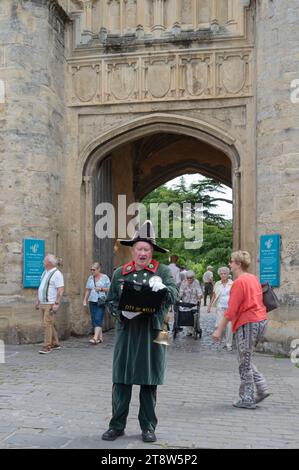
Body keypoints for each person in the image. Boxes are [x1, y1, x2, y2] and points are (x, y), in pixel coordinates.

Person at [102, 220, 178, 443]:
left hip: (155, 332)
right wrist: (121, 314)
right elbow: (111, 301)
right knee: (122, 380)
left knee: (149, 380)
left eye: (146, 249)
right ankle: (116, 425)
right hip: (127, 332)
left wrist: (164, 288)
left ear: (152, 251)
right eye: (139, 249)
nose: (142, 253)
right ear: (132, 250)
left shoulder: (163, 271)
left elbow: (175, 293)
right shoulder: (120, 273)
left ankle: (148, 426)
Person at [212, 251, 269, 409]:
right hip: (260, 320)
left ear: (238, 264)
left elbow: (231, 310)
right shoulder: (253, 278)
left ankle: (247, 398)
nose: (230, 264)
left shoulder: (239, 282)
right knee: (246, 358)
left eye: (231, 262)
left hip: (248, 322)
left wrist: (219, 329)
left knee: (244, 362)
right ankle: (262, 387)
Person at [35, 254, 64, 354]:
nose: (43, 262)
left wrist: (57, 303)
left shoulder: (57, 274)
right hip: (43, 302)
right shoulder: (45, 273)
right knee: (49, 323)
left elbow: (60, 290)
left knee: (47, 324)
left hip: (50, 303)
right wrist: (37, 301)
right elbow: (41, 287)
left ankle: (47, 346)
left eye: (44, 261)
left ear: (49, 263)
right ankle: (55, 343)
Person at [83, 262, 111, 344]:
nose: (92, 271)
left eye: (94, 270)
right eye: (91, 269)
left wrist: (101, 289)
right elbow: (88, 289)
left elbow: (110, 289)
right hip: (92, 300)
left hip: (101, 301)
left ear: (99, 269)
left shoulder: (105, 277)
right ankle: (100, 337)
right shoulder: (90, 278)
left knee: (98, 318)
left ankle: (95, 338)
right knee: (94, 319)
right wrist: (85, 299)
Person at [208, 266, 233, 351]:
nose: (223, 275)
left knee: (229, 327)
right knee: (218, 325)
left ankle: (228, 344)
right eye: (221, 274)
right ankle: (219, 342)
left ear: (228, 274)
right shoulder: (217, 283)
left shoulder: (232, 283)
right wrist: (209, 306)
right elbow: (214, 295)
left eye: (225, 273)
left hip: (229, 308)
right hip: (220, 307)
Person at [179, 271, 203, 336]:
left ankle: (196, 328)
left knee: (195, 316)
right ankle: (189, 331)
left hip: (194, 301)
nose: (189, 279)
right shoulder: (183, 282)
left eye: (191, 278)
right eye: (188, 278)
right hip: (186, 301)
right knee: (187, 316)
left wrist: (199, 297)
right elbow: (181, 291)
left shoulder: (196, 282)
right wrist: (178, 297)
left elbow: (199, 290)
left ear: (193, 277)